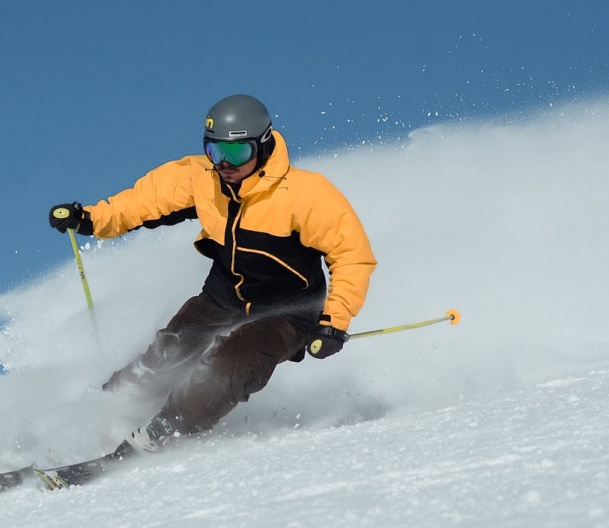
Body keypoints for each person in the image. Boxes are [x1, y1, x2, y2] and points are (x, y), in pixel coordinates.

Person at [49, 94, 377, 452]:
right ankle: (99, 415)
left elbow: (352, 254)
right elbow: (143, 202)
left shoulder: (305, 194)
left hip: (288, 312)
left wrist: (334, 323)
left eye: (235, 154)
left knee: (227, 368)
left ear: (263, 146)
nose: (224, 164)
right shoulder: (203, 179)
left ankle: (164, 431)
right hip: (224, 297)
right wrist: (92, 219)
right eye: (214, 152)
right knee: (167, 353)